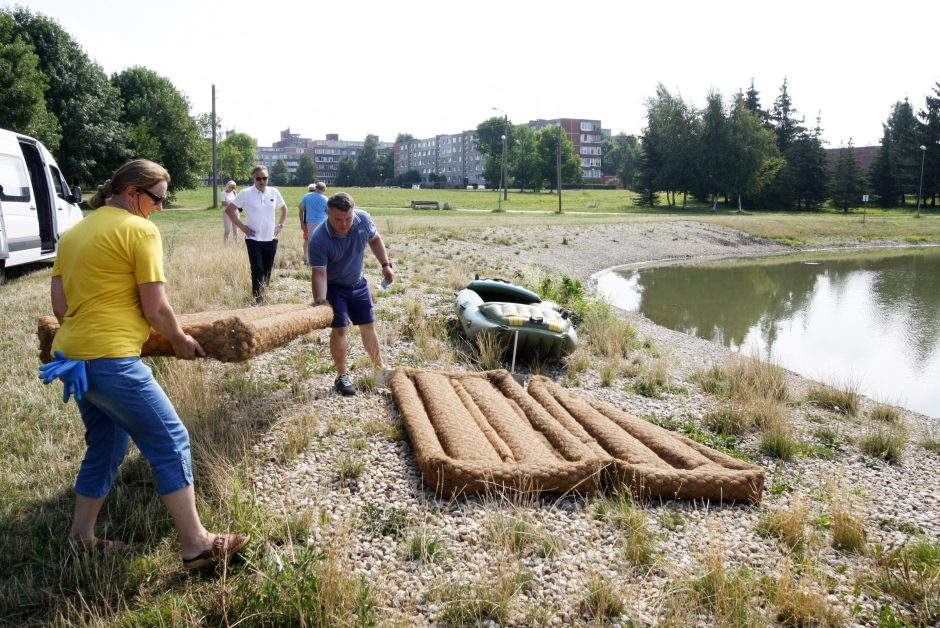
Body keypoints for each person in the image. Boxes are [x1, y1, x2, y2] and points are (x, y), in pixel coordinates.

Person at [43, 159, 247, 570]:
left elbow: (60, 304)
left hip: (72, 357)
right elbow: (155, 308)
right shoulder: (139, 230)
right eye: (156, 199)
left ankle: (81, 537)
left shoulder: (76, 232)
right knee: (171, 440)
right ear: (133, 193)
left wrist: (86, 334)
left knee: (108, 443)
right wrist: (180, 340)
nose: (160, 208)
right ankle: (196, 544)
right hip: (111, 359)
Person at [308, 192, 394, 396]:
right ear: (327, 213)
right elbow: (319, 274)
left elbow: (375, 239)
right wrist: (321, 301)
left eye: (348, 219)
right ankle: (342, 375)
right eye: (338, 219)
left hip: (358, 283)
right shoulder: (319, 239)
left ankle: (379, 369)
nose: (344, 224)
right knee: (340, 330)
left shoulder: (363, 219)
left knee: (368, 325)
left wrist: (385, 265)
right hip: (335, 287)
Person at [224, 165, 288, 304]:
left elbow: (284, 209)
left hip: (270, 239)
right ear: (253, 178)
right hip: (253, 239)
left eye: (264, 178)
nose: (262, 181)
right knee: (257, 269)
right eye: (258, 178)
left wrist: (280, 225)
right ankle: (257, 300)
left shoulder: (273, 192)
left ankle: (264, 295)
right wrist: (242, 227)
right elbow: (229, 210)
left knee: (267, 270)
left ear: (267, 178)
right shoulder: (246, 193)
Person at [298, 182, 328, 263]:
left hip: (310, 222)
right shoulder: (325, 199)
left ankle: (309, 260)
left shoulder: (306, 196)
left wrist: (302, 222)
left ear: (316, 188)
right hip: (322, 222)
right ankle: (320, 259)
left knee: (310, 242)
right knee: (322, 241)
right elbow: (328, 211)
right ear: (323, 190)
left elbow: (301, 208)